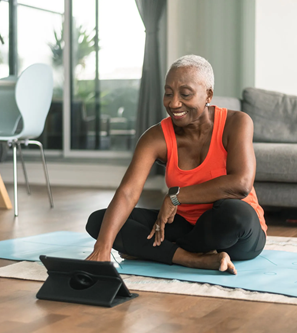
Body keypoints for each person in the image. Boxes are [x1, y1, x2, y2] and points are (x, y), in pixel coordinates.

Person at [85, 55, 267, 274]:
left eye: (185, 94)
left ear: (208, 94)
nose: (173, 103)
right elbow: (128, 193)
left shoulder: (236, 122)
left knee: (235, 213)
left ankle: (159, 252)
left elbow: (241, 184)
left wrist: (176, 196)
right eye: (168, 93)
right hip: (183, 225)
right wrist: (102, 249)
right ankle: (193, 259)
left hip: (234, 234)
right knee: (100, 222)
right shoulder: (155, 137)